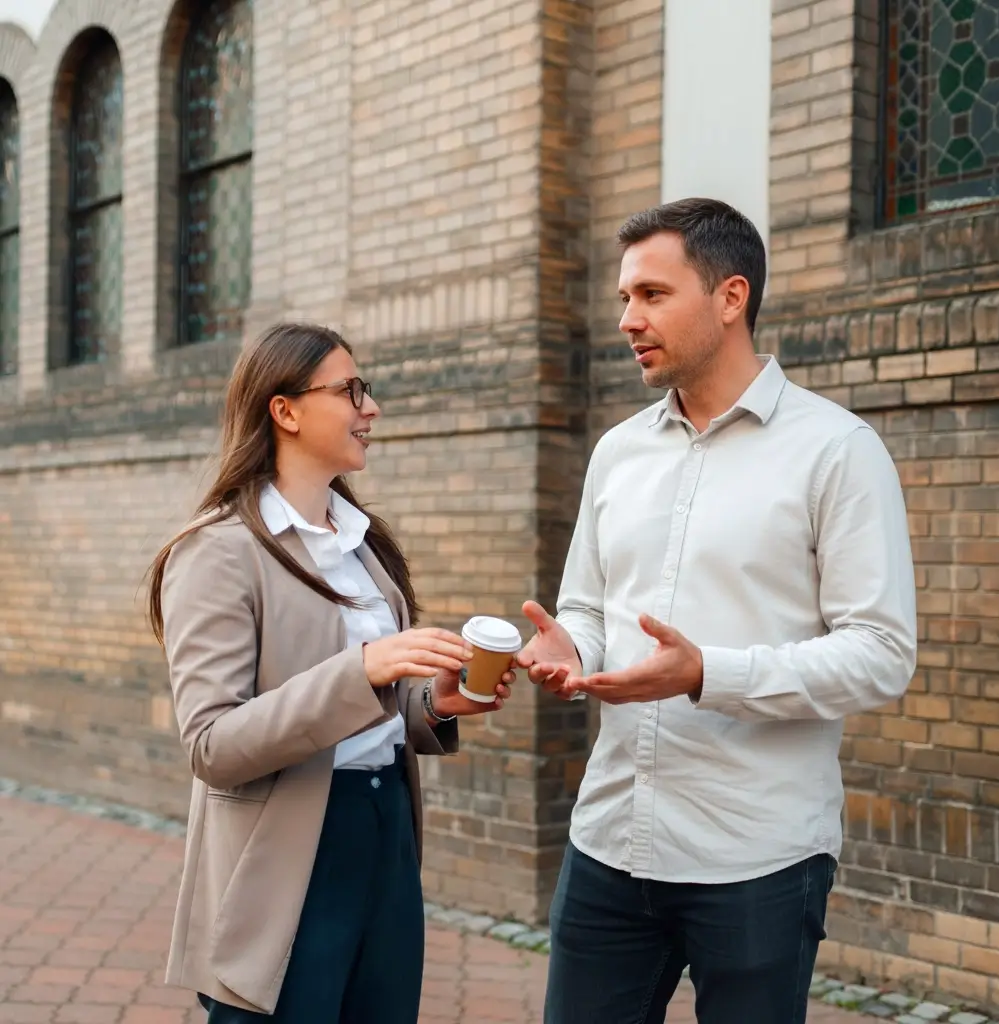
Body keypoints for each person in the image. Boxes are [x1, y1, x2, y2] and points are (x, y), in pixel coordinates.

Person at [517, 198, 917, 1024]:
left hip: (757, 858)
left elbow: (881, 651)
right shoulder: (617, 452)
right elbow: (588, 606)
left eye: (653, 295)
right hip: (609, 842)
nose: (628, 319)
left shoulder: (837, 452)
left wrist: (708, 674)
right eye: (625, 298)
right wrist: (574, 648)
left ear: (730, 297)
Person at [147, 323, 511, 1023]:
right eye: (350, 391)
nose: (369, 408)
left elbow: (375, 713)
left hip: (386, 831)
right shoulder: (218, 553)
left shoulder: (362, 545)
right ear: (284, 410)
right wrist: (364, 671)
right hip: (285, 854)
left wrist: (433, 705)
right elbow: (213, 747)